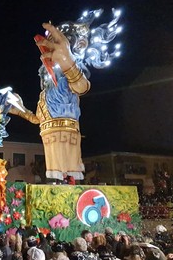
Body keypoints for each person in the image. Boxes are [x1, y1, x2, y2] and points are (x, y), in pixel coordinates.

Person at [10, 11, 121, 182]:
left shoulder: (71, 72)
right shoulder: (47, 86)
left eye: (58, 43)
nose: (50, 48)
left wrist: (67, 61)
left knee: (68, 179)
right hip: (49, 136)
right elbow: (38, 119)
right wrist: (21, 110)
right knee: (54, 180)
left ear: (79, 45)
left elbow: (82, 87)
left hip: (67, 134)